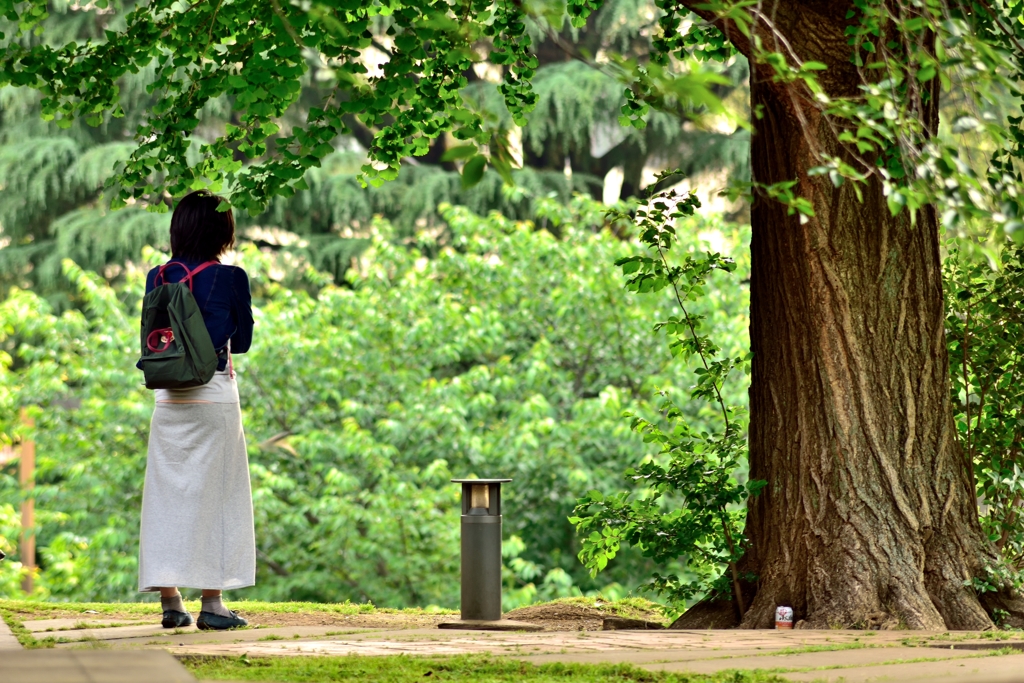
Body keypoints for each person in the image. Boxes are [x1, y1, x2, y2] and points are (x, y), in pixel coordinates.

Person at [137, 190, 255, 631]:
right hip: (213, 396)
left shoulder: (157, 276)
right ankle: (213, 603)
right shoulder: (231, 278)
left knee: (166, 496)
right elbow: (240, 344)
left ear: (178, 228)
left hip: (167, 398)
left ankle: (170, 601)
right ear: (222, 230)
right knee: (218, 498)